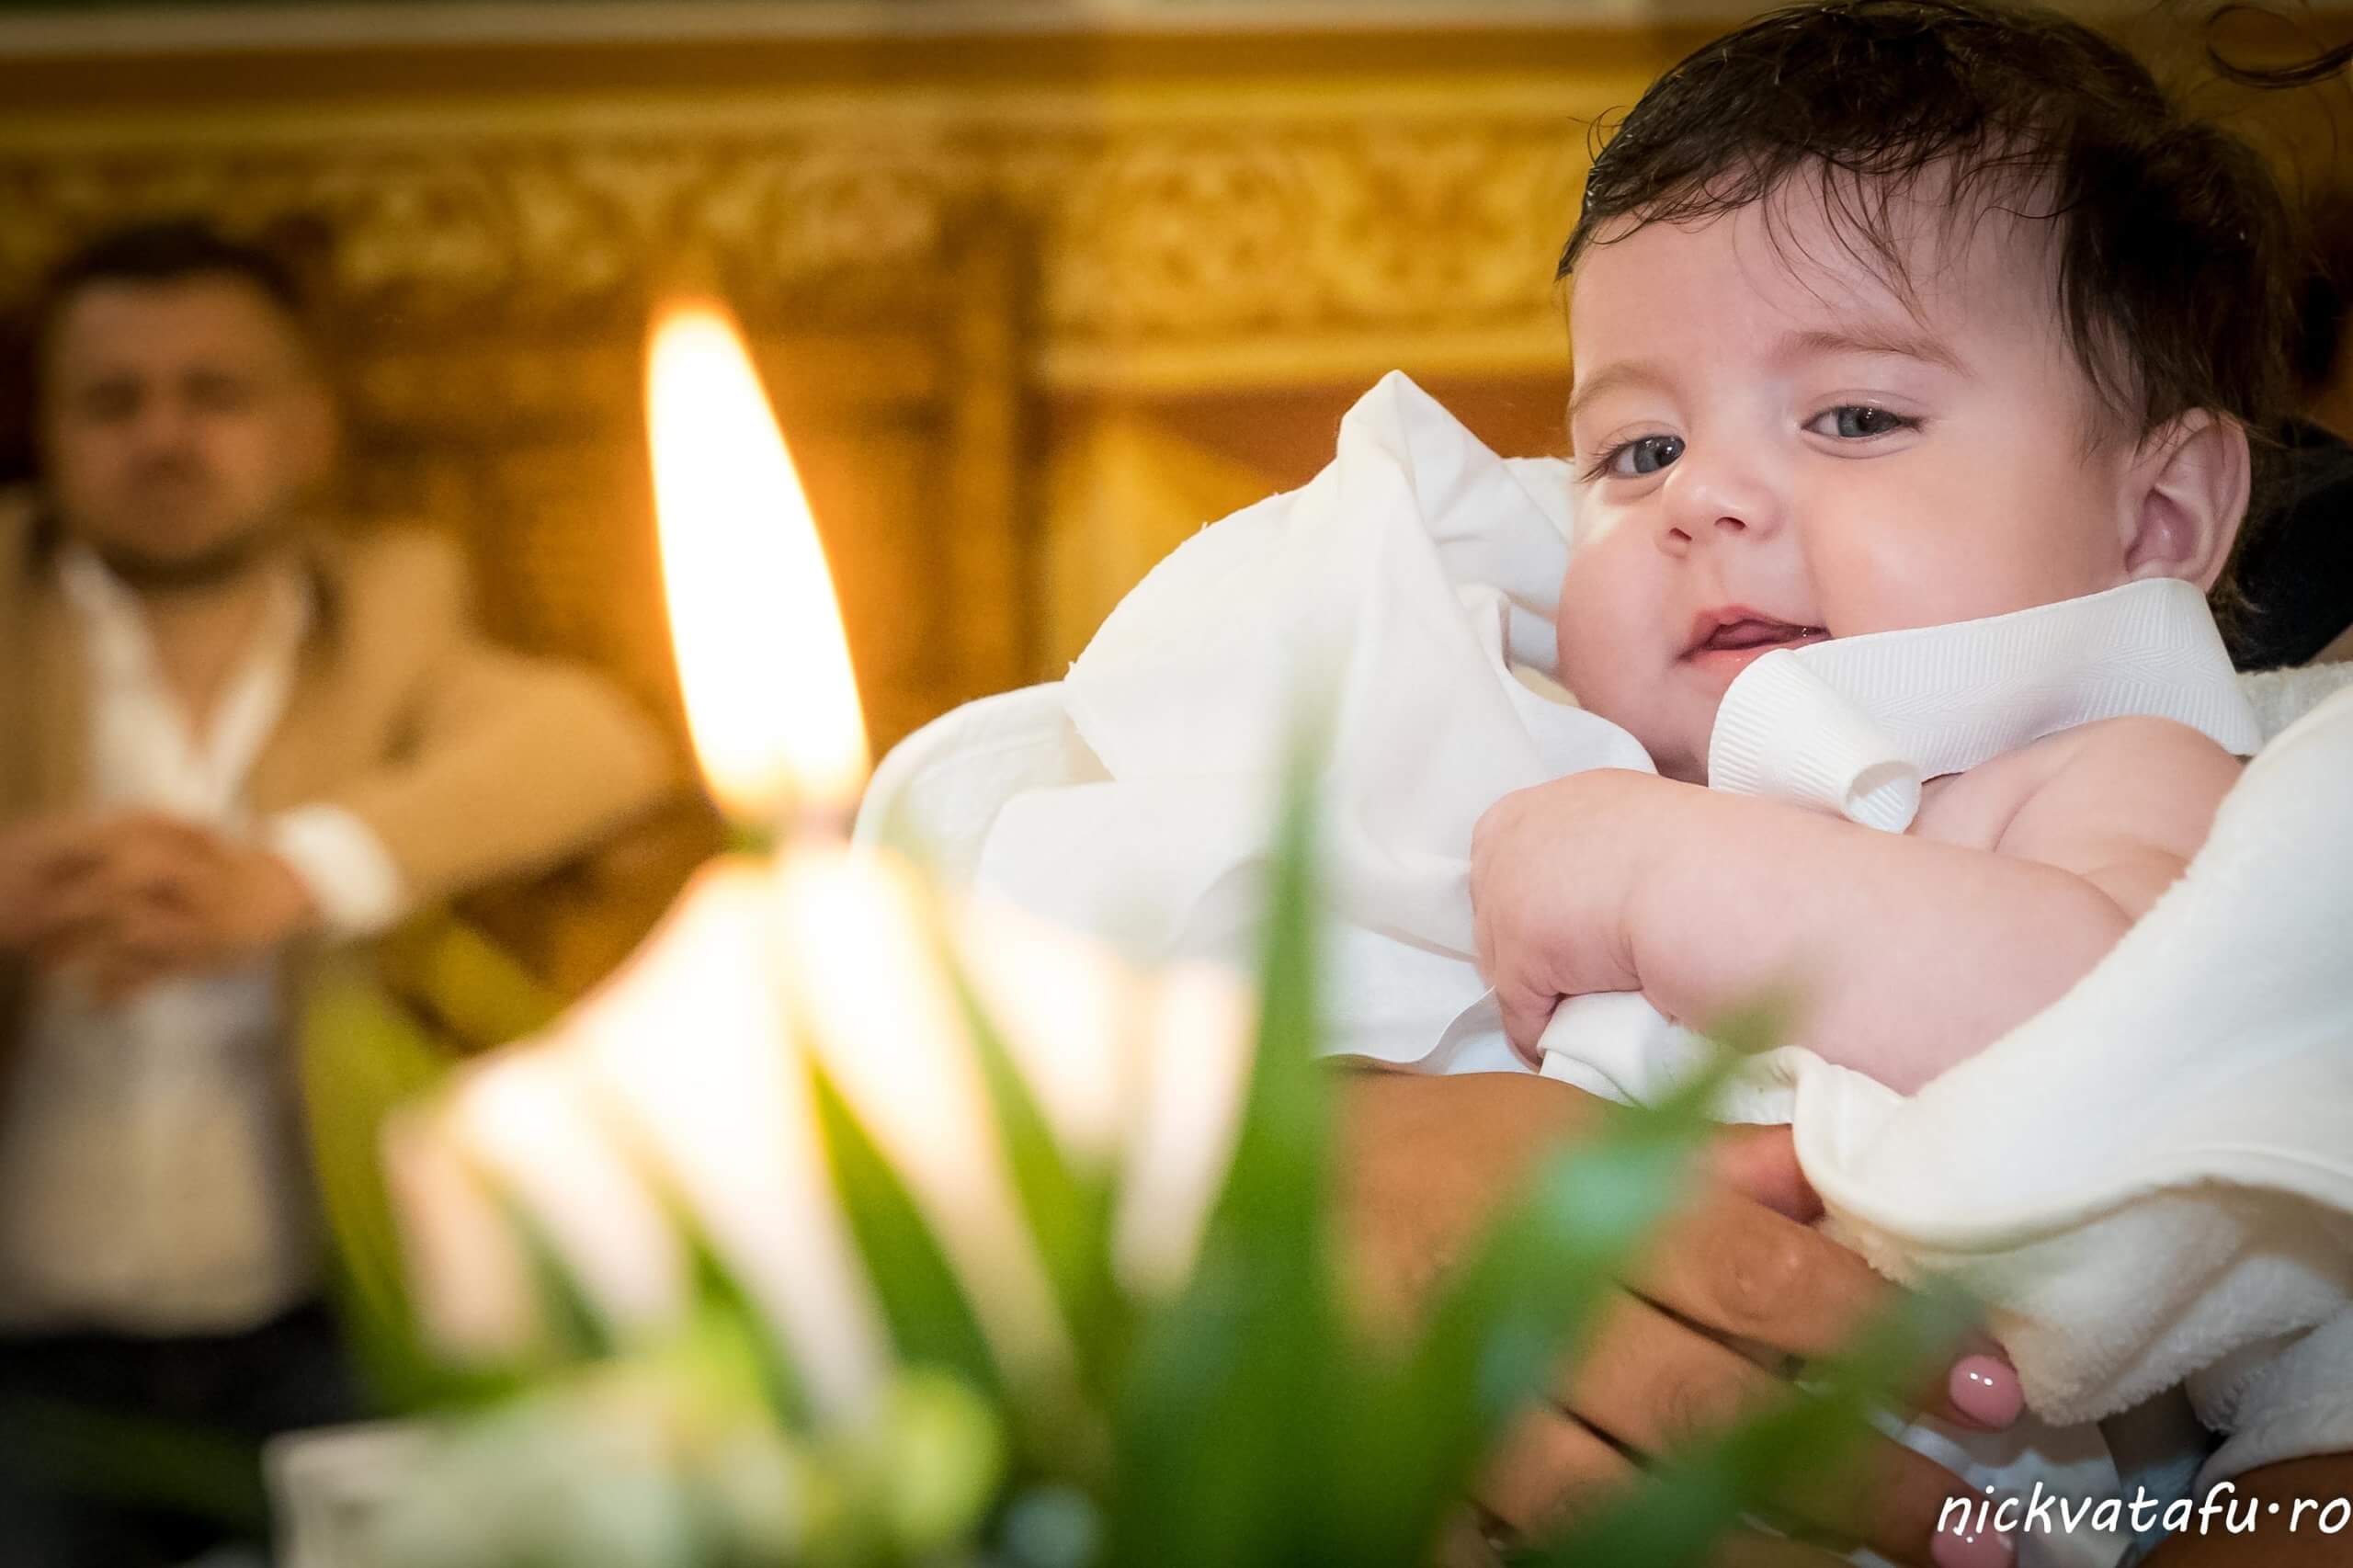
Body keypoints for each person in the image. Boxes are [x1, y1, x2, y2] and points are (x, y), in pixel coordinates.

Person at [1441, 3, 2349, 1562]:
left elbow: (2127, 1031)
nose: (1706, 498)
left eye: (1855, 416)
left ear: (2157, 522)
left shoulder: (2116, 771)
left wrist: (1652, 875)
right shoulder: (1555, 743)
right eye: (1638, 450)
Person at [0, 218, 677, 1564]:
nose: (165, 436)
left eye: (217, 393)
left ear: (308, 426)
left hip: (322, 1330)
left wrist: (293, 875)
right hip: (23, 1362)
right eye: (113, 401)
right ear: (48, 430)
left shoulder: (392, 604)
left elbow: (600, 744)